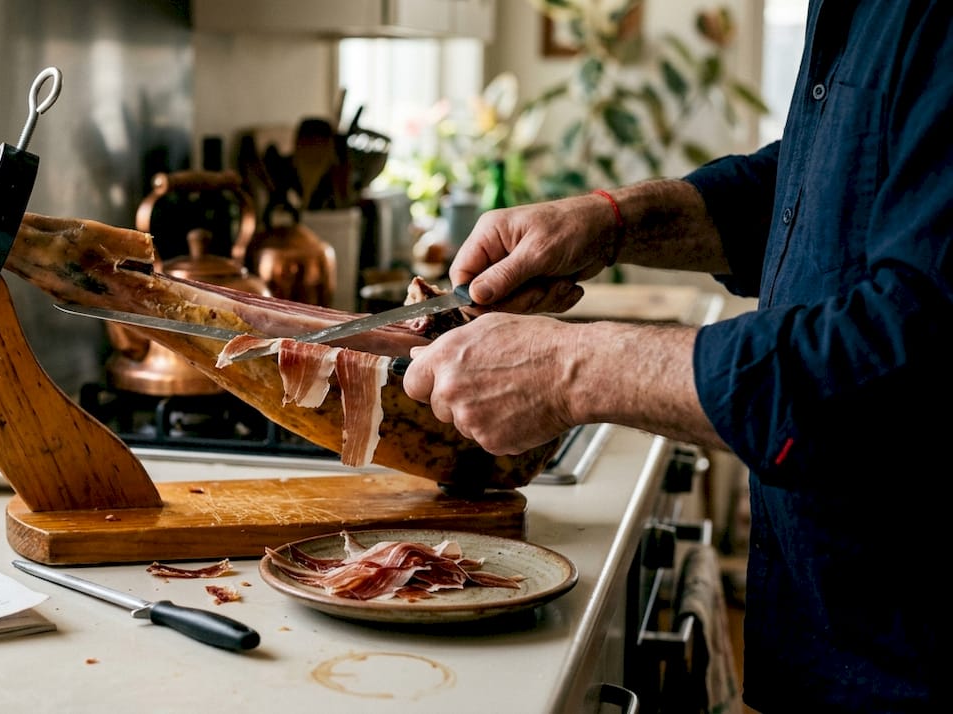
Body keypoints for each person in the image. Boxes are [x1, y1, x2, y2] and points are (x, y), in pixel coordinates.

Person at [403, 2, 949, 712]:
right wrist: (611, 221)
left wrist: (572, 370)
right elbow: (826, 184)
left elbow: (908, 360)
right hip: (829, 635)